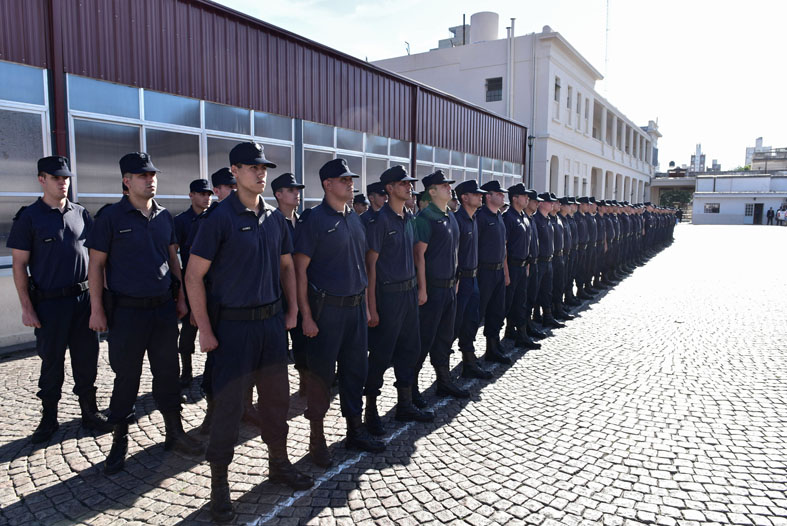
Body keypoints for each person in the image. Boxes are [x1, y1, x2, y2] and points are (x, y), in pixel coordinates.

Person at [187, 143, 312, 522]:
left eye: (264, 168)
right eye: (253, 167)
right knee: (229, 407)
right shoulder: (218, 219)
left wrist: (291, 309)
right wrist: (204, 330)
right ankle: (219, 486)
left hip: (271, 326)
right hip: (233, 329)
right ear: (235, 170)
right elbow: (193, 276)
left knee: (276, 402)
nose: (261, 173)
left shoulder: (275, 218)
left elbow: (287, 267)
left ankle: (279, 464)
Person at [86, 152, 203, 475]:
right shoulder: (110, 217)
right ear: (127, 181)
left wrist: (181, 297)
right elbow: (95, 266)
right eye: (142, 176)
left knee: (167, 374)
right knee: (127, 377)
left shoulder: (165, 217)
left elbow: (173, 259)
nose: (150, 180)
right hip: (126, 313)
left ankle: (174, 432)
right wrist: (96, 309)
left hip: (163, 310)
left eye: (153, 175)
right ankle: (120, 439)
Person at [7, 156, 113, 444]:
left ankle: (89, 413)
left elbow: (96, 261)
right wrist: (27, 308)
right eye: (56, 178)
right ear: (42, 179)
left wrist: (99, 302)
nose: (62, 182)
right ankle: (49, 418)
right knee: (51, 363)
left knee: (87, 361)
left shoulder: (81, 214)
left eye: (65, 177)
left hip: (82, 301)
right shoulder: (29, 217)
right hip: (49, 305)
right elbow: (19, 266)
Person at [294, 158, 385, 469]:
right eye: (343, 179)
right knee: (321, 378)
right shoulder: (314, 220)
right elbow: (300, 271)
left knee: (354, 372)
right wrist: (305, 315)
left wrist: (368, 307)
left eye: (351, 179)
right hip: (326, 311)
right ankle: (316, 438)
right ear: (327, 184)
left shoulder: (353, 217)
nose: (350, 183)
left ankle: (354, 429)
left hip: (355, 309)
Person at [363, 165, 433, 436]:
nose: (409, 187)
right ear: (389, 188)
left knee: (409, 350)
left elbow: (417, 258)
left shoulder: (409, 218)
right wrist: (371, 307)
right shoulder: (380, 221)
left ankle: (404, 403)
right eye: (403, 183)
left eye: (409, 183)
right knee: (381, 355)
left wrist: (419, 288)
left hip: (408, 294)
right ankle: (370, 411)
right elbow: (370, 266)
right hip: (387, 295)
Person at [412, 170, 465, 402]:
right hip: (432, 290)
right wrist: (422, 289)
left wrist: (456, 282)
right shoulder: (425, 218)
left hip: (449, 288)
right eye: (443, 186)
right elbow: (418, 256)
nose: (448, 188)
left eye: (448, 185)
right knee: (423, 340)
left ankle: (444, 381)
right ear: (431, 191)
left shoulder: (450, 216)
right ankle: (410, 390)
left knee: (445, 337)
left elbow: (455, 252)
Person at [270, 173, 309, 396]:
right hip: (277, 293)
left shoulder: (303, 221)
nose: (297, 194)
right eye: (291, 190)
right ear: (278, 194)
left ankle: (305, 379)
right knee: (276, 346)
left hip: (301, 290)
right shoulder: (271, 221)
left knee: (303, 341)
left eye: (298, 190)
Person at [467, 180, 511, 364]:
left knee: (497, 312)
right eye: (498, 193)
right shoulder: (480, 217)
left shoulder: (499, 216)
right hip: (484, 272)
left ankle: (492, 346)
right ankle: (468, 355)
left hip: (499, 272)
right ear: (488, 196)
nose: (502, 196)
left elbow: (504, 248)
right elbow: (473, 248)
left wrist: (506, 273)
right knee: (477, 314)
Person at [174, 179, 213, 388]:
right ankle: (186, 371)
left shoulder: (214, 218)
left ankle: (210, 371)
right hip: (190, 284)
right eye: (201, 194)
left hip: (212, 284)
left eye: (208, 194)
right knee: (188, 332)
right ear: (191, 195)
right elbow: (174, 254)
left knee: (213, 329)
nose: (206, 198)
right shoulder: (181, 221)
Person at [453, 180, 492, 383]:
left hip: (473, 279)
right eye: (475, 194)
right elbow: (454, 253)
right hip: (461, 281)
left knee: (470, 323)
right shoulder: (457, 220)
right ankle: (441, 375)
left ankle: (469, 363)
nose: (480, 196)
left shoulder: (474, 218)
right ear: (464, 198)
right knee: (452, 327)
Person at [502, 183, 540, 351]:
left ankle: (519, 333)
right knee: (507, 303)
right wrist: (506, 273)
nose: (527, 199)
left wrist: (527, 266)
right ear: (514, 198)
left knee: (521, 302)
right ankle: (503, 336)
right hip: (511, 266)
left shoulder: (524, 217)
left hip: (523, 266)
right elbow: (504, 247)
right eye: (524, 196)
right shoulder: (508, 217)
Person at [533, 193, 564, 329]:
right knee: (535, 291)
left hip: (549, 260)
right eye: (549, 202)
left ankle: (548, 316)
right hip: (539, 261)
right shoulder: (536, 220)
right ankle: (534, 317)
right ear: (541, 204)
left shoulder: (547, 219)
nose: (552, 204)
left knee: (547, 290)